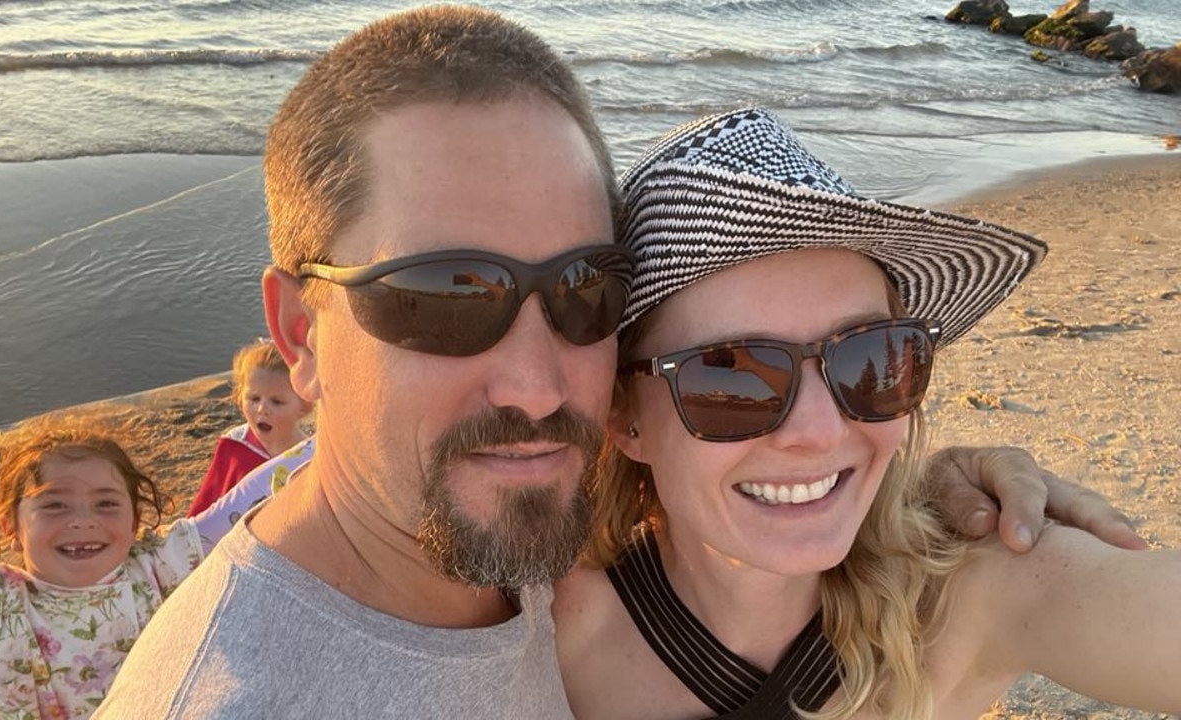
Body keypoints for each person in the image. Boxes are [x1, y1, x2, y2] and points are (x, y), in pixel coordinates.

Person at [96, 7, 1144, 718]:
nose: (538, 384)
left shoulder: (542, 561)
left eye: (583, 294)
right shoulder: (238, 693)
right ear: (297, 337)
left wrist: (912, 480)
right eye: (447, 296)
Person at [553, 107, 1181, 720]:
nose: (821, 430)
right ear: (625, 417)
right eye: (733, 377)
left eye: (869, 358)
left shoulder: (970, 592)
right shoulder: (540, 628)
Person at [0, 415, 279, 720]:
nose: (83, 521)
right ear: (11, 529)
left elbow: (255, 496)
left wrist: (324, 445)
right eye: (54, 505)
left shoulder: (163, 564)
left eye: (106, 504)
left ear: (135, 524)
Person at [186, 337, 311, 516]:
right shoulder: (235, 446)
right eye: (254, 399)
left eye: (276, 402)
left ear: (304, 406)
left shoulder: (308, 458)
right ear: (240, 396)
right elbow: (207, 506)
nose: (262, 409)